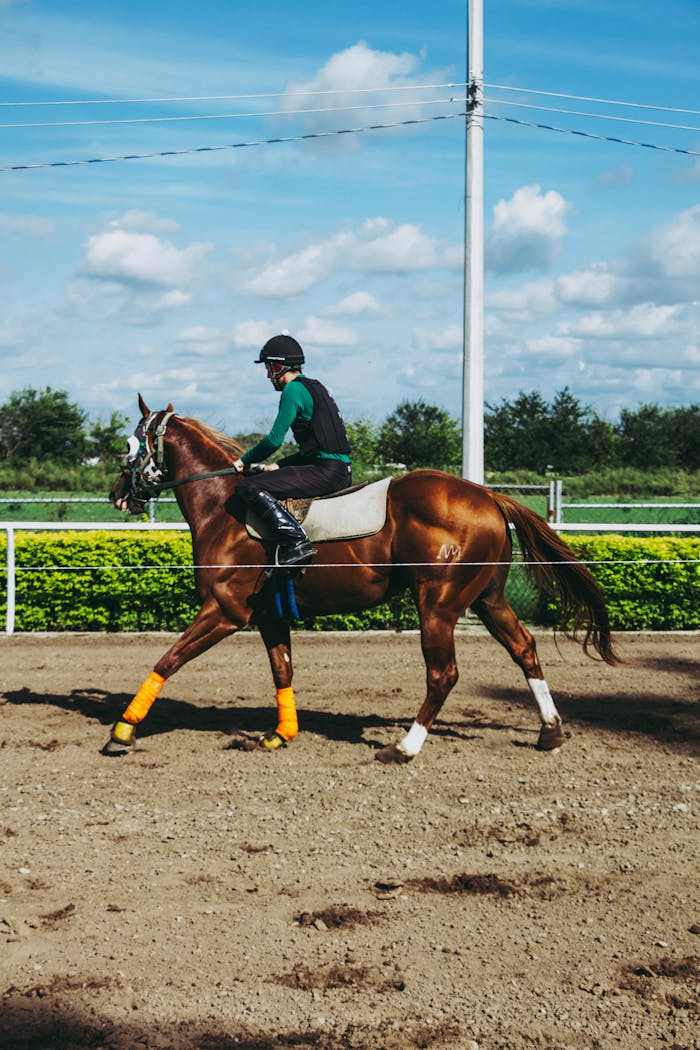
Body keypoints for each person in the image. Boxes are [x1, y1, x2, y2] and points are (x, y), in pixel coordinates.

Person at [233, 334, 352, 567]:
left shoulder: (292, 390)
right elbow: (319, 447)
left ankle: (296, 541)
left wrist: (244, 461)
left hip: (327, 471)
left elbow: (274, 440)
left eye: (269, 369)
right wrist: (281, 465)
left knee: (248, 486)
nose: (268, 376)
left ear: (278, 366)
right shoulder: (315, 385)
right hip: (336, 468)